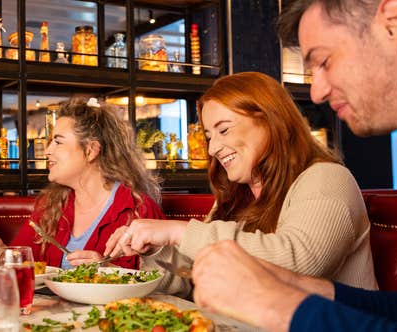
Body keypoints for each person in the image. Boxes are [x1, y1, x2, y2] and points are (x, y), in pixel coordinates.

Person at [190, 0, 397, 330]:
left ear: (394, 23)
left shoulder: (324, 178)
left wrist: (280, 304)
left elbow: (298, 257)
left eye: (323, 61)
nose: (317, 92)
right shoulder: (236, 192)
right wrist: (308, 289)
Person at [105, 72, 377, 295]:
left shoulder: (326, 178)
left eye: (224, 129)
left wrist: (178, 232)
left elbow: (300, 263)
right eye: (209, 136)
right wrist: (154, 251)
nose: (213, 149)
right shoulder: (235, 196)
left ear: (271, 121)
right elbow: (186, 281)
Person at [0, 97, 165, 269]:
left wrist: (108, 273)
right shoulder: (50, 205)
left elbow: (158, 285)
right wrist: (1, 254)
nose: (47, 151)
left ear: (90, 150)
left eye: (58, 142)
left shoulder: (138, 210)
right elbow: (29, 266)